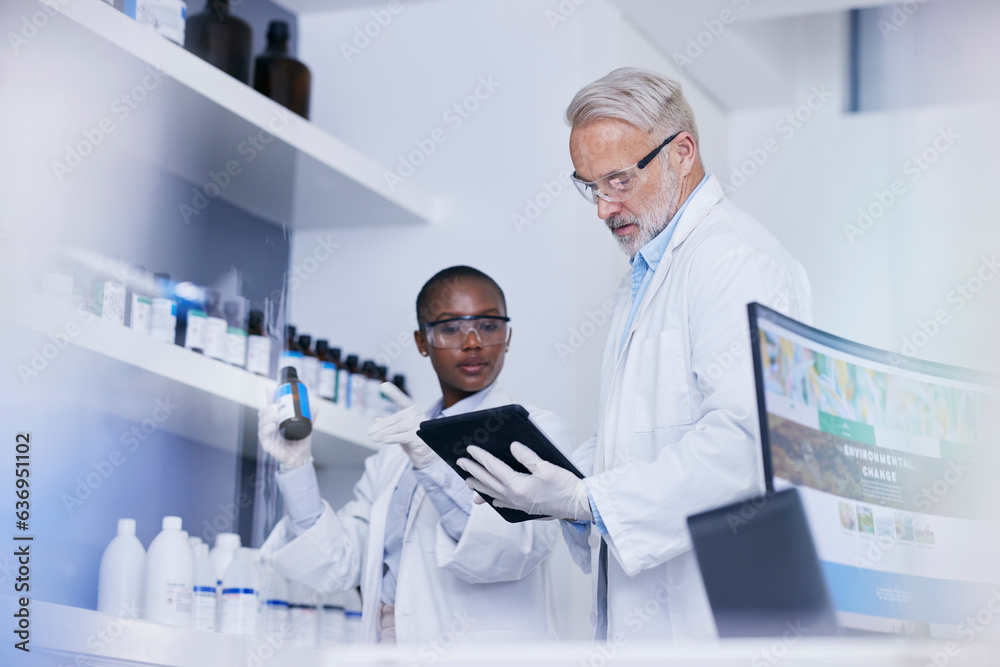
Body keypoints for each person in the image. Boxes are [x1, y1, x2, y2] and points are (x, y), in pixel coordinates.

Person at [458, 68, 812, 643]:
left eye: (618, 181)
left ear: (682, 153)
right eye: (590, 187)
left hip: (715, 621)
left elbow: (746, 446)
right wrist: (562, 483)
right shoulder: (645, 274)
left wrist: (587, 497)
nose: (603, 208)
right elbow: (640, 436)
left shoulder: (735, 260)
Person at [258, 265, 575, 644]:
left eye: (489, 325)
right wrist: (296, 466)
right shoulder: (394, 456)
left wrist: (433, 466)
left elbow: (511, 552)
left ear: (507, 336)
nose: (472, 342)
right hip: (388, 646)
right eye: (450, 328)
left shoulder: (536, 432)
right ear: (421, 341)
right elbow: (339, 566)